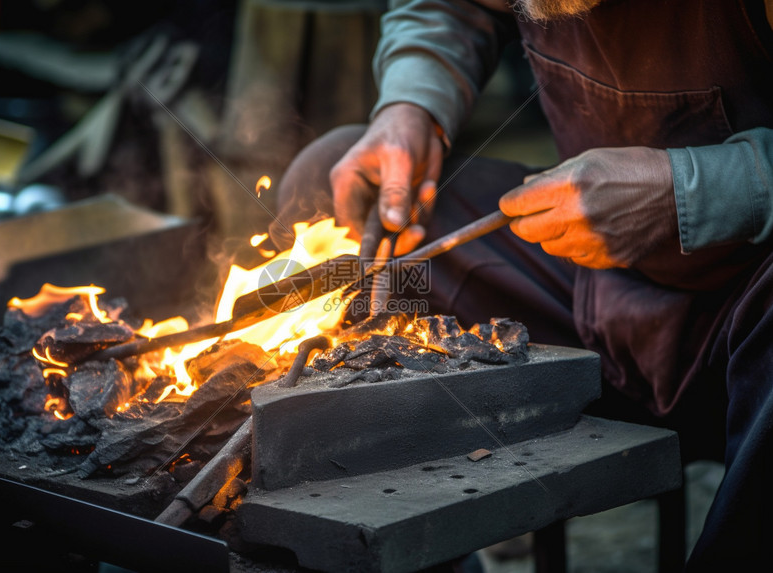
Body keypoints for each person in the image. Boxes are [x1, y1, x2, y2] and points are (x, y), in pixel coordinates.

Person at [269, 0, 773, 568]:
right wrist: (415, 102)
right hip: (585, 295)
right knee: (341, 184)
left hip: (748, 325)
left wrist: (702, 189)